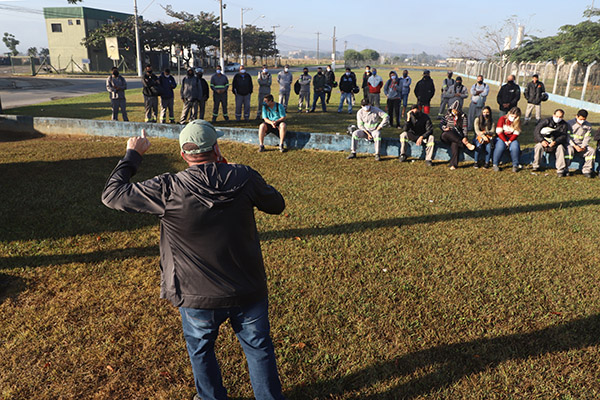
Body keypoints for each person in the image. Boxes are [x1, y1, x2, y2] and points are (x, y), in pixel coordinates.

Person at [101, 121, 287, 400]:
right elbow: (276, 204)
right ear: (215, 149)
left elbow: (112, 194)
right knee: (259, 349)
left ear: (184, 154)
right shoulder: (244, 176)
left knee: (201, 350)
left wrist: (133, 155)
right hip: (247, 288)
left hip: (195, 294)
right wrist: (236, 172)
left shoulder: (168, 188)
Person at [532, 109, 570, 177]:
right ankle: (536, 166)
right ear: (553, 115)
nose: (558, 118)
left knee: (561, 148)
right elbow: (536, 131)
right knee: (538, 146)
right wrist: (542, 140)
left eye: (560, 117)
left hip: (556, 144)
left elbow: (564, 136)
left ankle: (560, 170)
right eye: (557, 116)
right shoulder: (546, 121)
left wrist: (556, 142)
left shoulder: (564, 124)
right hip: (544, 141)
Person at [440, 100, 475, 170]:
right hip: (447, 135)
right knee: (446, 134)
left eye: (456, 110)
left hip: (457, 136)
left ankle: (454, 164)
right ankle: (464, 144)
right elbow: (441, 124)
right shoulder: (447, 115)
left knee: (455, 144)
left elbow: (464, 128)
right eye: (454, 110)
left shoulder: (463, 117)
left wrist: (465, 137)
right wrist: (445, 128)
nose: (455, 111)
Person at [492, 106, 522, 172]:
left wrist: (510, 141)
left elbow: (516, 133)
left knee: (515, 147)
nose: (513, 118)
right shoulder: (502, 119)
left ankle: (515, 165)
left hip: (512, 138)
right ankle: (495, 164)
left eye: (515, 117)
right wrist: (505, 141)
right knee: (500, 147)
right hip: (501, 137)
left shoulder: (518, 122)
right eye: (512, 116)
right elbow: (499, 132)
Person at [567, 109, 595, 178]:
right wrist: (574, 145)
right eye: (580, 119)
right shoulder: (569, 123)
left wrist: (583, 146)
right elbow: (567, 136)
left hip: (581, 145)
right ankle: (565, 169)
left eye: (584, 119)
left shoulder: (588, 126)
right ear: (577, 116)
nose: (582, 121)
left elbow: (587, 137)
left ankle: (587, 170)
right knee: (569, 150)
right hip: (571, 144)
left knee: (591, 151)